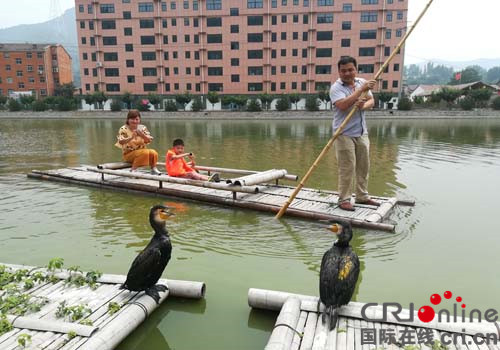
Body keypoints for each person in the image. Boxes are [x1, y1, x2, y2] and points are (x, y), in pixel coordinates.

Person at [329, 56, 380, 211]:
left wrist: (364, 106)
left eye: (350, 69)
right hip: (343, 133)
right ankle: (344, 199)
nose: (347, 73)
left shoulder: (362, 82)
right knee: (347, 167)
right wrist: (360, 92)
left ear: (355, 69)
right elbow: (343, 105)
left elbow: (371, 100)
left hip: (362, 132)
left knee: (364, 166)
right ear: (339, 72)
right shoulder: (336, 88)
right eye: (343, 70)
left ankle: (362, 196)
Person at [115, 110, 161, 175]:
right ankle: (133, 170)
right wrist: (131, 137)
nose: (135, 121)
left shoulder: (142, 128)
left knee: (153, 152)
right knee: (144, 152)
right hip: (129, 154)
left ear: (139, 120)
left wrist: (142, 135)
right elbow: (121, 142)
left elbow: (149, 140)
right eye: (132, 119)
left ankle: (153, 169)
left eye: (137, 119)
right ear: (128, 120)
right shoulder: (123, 129)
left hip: (142, 152)